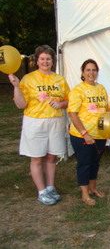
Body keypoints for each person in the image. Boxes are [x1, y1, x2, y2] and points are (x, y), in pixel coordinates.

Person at [8, 45, 70, 205]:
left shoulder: (59, 79)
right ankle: (41, 191)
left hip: (55, 121)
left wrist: (61, 104)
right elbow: (21, 104)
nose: (45, 62)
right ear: (37, 61)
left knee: (51, 157)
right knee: (37, 158)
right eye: (42, 58)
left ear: (52, 61)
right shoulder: (28, 79)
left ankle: (50, 187)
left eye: (48, 59)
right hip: (35, 122)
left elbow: (68, 101)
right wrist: (16, 86)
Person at [68, 59, 108, 206]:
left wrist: (108, 130)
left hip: (99, 135)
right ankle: (85, 194)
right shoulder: (78, 90)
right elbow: (72, 114)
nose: (91, 73)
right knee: (84, 164)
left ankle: (92, 188)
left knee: (95, 163)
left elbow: (105, 111)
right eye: (88, 70)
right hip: (82, 135)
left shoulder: (102, 88)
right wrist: (85, 133)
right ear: (83, 72)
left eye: (94, 70)